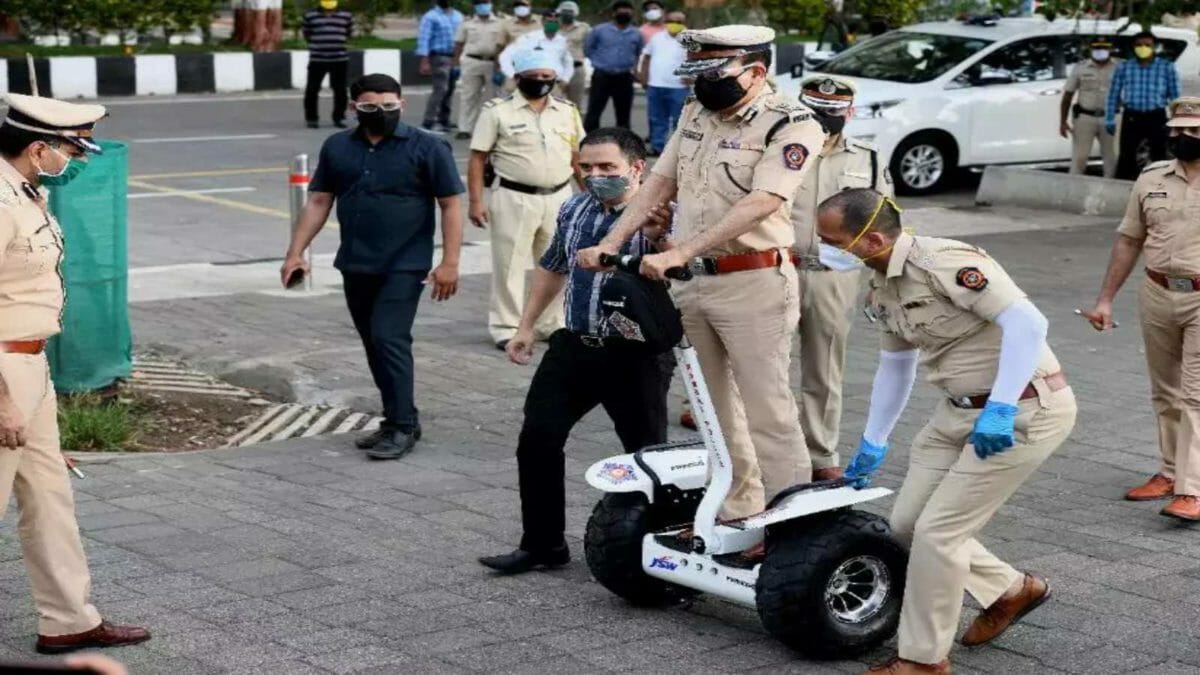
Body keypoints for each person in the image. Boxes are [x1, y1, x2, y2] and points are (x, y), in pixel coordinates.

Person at [578, 26, 827, 531]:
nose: (699, 86)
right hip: (691, 284)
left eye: (712, 74)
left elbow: (765, 201)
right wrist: (612, 242)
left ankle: (793, 526)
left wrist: (683, 249)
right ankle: (739, 510)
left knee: (768, 408)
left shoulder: (793, 124)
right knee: (714, 409)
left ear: (756, 72)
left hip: (753, 282)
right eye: (694, 74)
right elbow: (659, 184)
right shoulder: (697, 113)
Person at [819, 189, 1076, 675]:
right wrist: (875, 440)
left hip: (1021, 411)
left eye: (834, 241)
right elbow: (895, 367)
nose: (827, 250)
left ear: (871, 237)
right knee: (907, 524)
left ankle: (922, 660)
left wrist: (999, 407)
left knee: (938, 533)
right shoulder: (880, 284)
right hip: (955, 413)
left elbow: (1028, 323)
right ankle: (1009, 590)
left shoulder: (944, 263)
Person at [478, 127, 673, 574]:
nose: (595, 175)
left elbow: (680, 271)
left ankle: (656, 551)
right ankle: (543, 545)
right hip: (575, 345)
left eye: (607, 167)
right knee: (538, 439)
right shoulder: (575, 208)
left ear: (636, 168)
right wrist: (525, 327)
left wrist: (662, 240)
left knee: (645, 454)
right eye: (586, 167)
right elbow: (553, 266)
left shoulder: (661, 214)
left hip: (635, 354)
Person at [0, 93, 150, 654]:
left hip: (27, 365)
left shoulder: (25, 191)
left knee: (49, 496)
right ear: (38, 149)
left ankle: (69, 620)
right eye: (71, 148)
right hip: (3, 371)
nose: (78, 159)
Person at [281, 74, 464, 460]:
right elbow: (318, 201)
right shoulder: (338, 147)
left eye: (388, 106)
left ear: (402, 104)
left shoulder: (429, 147)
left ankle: (401, 427)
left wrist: (450, 262)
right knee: (373, 344)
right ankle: (401, 418)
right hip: (356, 262)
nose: (380, 113)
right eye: (369, 107)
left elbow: (450, 204)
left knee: (388, 339)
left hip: (406, 264)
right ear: (353, 108)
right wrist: (295, 252)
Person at [1081, 97, 1200, 520]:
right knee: (1165, 391)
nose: (1183, 137)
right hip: (1157, 292)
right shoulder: (1151, 179)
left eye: (1193, 130)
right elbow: (1130, 240)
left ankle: (1192, 488)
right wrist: (1105, 299)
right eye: (1178, 129)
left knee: (1195, 395)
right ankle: (1169, 472)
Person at [790, 75, 892, 481]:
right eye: (815, 112)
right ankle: (768, 452)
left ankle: (820, 455)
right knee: (766, 367)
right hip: (776, 269)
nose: (824, 120)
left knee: (825, 369)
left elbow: (883, 220)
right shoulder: (781, 150)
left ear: (849, 113)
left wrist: (882, 280)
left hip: (834, 277)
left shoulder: (866, 158)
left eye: (833, 113)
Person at [470, 50, 585, 350]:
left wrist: (590, 195)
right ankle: (506, 326)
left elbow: (577, 158)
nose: (541, 82)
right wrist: (475, 201)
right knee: (509, 265)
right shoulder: (497, 111)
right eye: (533, 77)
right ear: (518, 78)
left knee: (557, 264)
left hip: (560, 197)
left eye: (547, 77)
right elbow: (478, 158)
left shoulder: (567, 110)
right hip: (513, 196)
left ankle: (551, 323)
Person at [1106, 31, 1180, 179]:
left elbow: (1175, 96)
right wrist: (1109, 118)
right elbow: (1113, 93)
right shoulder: (1124, 67)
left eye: (1147, 45)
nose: (1143, 48)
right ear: (1134, 47)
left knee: (1159, 155)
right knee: (1127, 155)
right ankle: (1126, 190)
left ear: (1154, 47)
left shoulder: (1167, 67)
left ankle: (1161, 190)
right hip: (1132, 116)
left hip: (1156, 115)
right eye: (1139, 45)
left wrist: (1177, 120)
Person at [1061, 38, 1119, 177]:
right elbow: (1068, 95)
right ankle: (1073, 192)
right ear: (1091, 49)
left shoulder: (1120, 67)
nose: (1101, 51)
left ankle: (1109, 193)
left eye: (1104, 48)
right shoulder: (1081, 67)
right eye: (1097, 48)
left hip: (1111, 118)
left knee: (1112, 159)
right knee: (1079, 158)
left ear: (1110, 49)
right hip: (1085, 118)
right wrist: (1062, 122)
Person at [583, 0, 644, 131]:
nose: (624, 14)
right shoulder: (599, 30)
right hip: (602, 75)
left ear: (632, 14)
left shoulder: (636, 33)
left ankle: (623, 144)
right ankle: (589, 139)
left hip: (624, 76)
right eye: (621, 12)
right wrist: (598, 62)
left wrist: (635, 69)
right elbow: (588, 49)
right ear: (614, 13)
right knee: (594, 110)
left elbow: (638, 53)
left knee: (624, 112)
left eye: (627, 12)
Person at [453, 0, 505, 140]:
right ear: (475, 6)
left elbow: (504, 46)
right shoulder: (467, 23)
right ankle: (465, 128)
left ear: (491, 3)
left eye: (485, 2)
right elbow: (458, 44)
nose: (483, 5)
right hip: (471, 61)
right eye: (479, 2)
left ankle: (496, 129)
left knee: (495, 97)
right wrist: (456, 64)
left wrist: (500, 67)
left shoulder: (501, 23)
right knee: (468, 96)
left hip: (493, 63)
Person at [638, 11, 689, 156]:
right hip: (656, 85)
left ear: (684, 23)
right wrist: (643, 76)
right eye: (672, 21)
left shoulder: (690, 40)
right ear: (666, 22)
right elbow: (646, 57)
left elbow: (697, 60)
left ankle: (678, 150)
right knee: (657, 119)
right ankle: (657, 147)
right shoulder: (656, 38)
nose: (675, 25)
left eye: (679, 22)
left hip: (679, 87)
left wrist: (693, 76)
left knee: (679, 120)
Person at [301, 0, 353, 129]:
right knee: (312, 90)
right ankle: (312, 118)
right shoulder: (310, 16)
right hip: (317, 59)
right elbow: (307, 34)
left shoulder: (346, 16)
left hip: (339, 59)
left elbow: (348, 33)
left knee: (340, 90)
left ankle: (339, 117)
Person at [416, 0, 464, 134]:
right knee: (440, 89)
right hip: (438, 57)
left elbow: (462, 38)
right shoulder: (430, 16)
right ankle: (428, 122)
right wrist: (424, 61)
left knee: (450, 89)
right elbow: (424, 39)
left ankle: (444, 120)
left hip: (454, 57)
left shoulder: (458, 16)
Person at [498, 10, 574, 86]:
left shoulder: (562, 41)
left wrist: (565, 79)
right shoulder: (529, 38)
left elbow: (568, 62)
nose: (553, 24)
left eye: (556, 22)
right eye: (550, 21)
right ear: (543, 22)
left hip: (553, 84)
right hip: (530, 83)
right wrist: (513, 75)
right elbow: (505, 56)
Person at [556, 1, 592, 108]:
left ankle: (574, 124)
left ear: (576, 13)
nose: (567, 13)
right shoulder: (552, 27)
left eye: (570, 11)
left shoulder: (584, 28)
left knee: (575, 104)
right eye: (564, 11)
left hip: (576, 69)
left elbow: (591, 45)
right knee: (554, 102)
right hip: (556, 69)